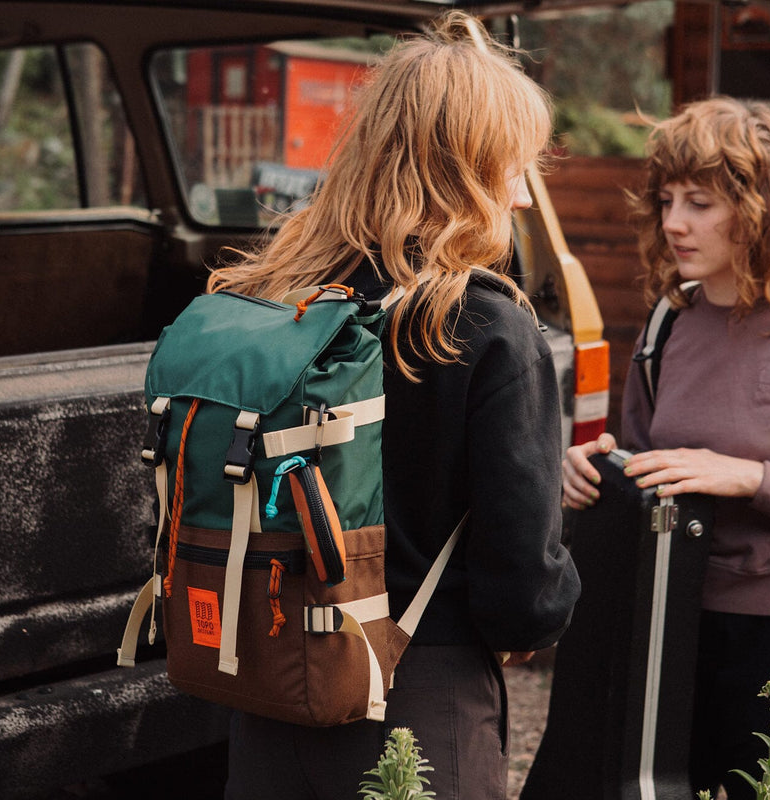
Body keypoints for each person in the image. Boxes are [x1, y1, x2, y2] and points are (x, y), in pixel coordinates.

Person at [206, 10, 580, 800]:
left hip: (268, 686)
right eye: (516, 164)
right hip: (414, 695)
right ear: (471, 167)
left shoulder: (276, 296)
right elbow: (523, 597)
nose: (521, 193)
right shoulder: (487, 325)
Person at [562, 95, 770, 800]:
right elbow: (645, 459)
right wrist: (597, 474)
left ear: (761, 207)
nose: (674, 223)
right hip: (668, 620)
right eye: (666, 200)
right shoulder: (669, 318)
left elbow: (735, 474)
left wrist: (749, 476)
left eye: (700, 201)